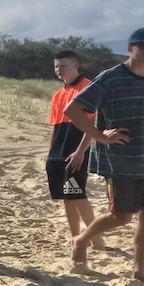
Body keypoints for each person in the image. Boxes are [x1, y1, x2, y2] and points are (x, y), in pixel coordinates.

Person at [63, 27, 144, 286]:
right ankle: (81, 240)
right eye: (142, 45)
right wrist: (101, 136)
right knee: (122, 216)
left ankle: (139, 272)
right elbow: (73, 109)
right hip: (119, 161)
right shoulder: (111, 78)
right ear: (130, 48)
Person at [45, 50, 104, 249]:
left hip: (77, 150)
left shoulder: (88, 88)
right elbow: (56, 126)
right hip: (59, 152)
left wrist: (80, 151)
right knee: (67, 196)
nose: (58, 70)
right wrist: (51, 154)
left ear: (75, 66)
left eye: (63, 65)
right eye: (56, 66)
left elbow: (92, 124)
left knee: (77, 194)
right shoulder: (58, 94)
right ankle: (76, 237)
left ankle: (97, 240)